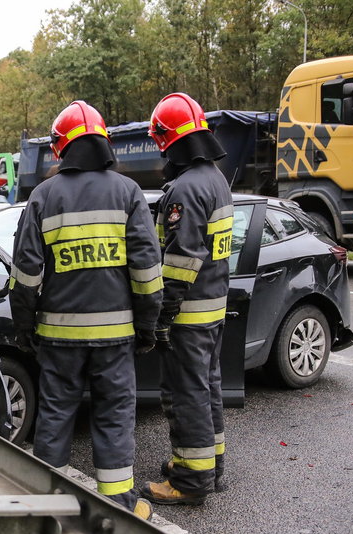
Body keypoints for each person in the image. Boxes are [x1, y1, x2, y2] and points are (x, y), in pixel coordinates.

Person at [9, 100, 163, 521]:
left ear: (61, 149)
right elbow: (147, 272)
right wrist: (148, 326)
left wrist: (25, 328)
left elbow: (25, 275)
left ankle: (49, 510)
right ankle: (119, 512)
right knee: (114, 419)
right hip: (116, 339)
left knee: (56, 416)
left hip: (58, 338)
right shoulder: (128, 193)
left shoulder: (42, 196)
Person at [139, 92, 233, 506]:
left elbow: (180, 261)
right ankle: (210, 466)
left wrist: (162, 314)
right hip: (213, 309)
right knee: (208, 388)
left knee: (186, 395)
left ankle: (189, 481)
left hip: (189, 316)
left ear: (167, 137)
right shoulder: (216, 179)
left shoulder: (186, 189)